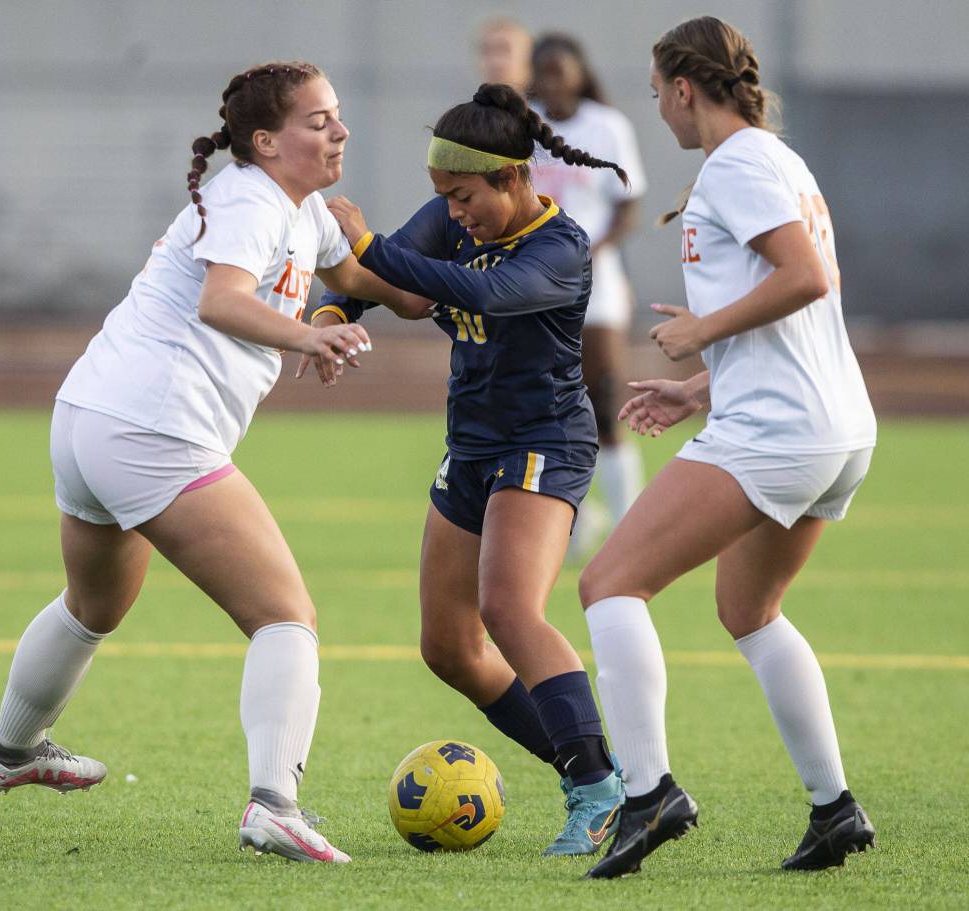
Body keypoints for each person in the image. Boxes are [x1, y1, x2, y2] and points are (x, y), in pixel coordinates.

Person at [0, 61, 430, 865]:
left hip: (90, 415)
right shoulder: (251, 197)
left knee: (92, 604)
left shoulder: (302, 206)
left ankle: (14, 751)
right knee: (287, 616)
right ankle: (274, 805)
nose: (340, 130)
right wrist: (310, 334)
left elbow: (358, 274)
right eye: (318, 119)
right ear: (266, 141)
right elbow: (222, 298)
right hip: (152, 426)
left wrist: (438, 292)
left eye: (338, 115)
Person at [577, 17, 878, 878]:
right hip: (833, 425)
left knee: (608, 582)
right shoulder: (778, 160)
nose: (660, 112)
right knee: (748, 610)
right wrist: (702, 387)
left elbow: (807, 278)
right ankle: (834, 809)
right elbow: (816, 293)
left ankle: (649, 794)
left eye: (656, 94)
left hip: (780, 429)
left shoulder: (741, 162)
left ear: (682, 88)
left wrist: (705, 331)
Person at [308, 84, 629, 856]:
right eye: (443, 199)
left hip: (545, 439)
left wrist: (370, 248)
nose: (454, 213)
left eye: (464, 197)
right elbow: (397, 281)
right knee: (448, 646)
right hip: (474, 444)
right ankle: (598, 769)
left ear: (515, 179)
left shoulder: (560, 247)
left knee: (510, 610)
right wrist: (332, 312)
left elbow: (472, 287)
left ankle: (598, 789)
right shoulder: (456, 216)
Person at [530, 34, 649, 556]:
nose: (554, 80)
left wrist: (588, 248)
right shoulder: (521, 123)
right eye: (544, 71)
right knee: (545, 401)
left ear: (580, 73)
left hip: (593, 281)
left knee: (602, 397)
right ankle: (573, 520)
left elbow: (628, 206)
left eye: (562, 70)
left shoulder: (607, 127)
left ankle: (629, 525)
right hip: (531, 280)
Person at [476, 16, 533, 96]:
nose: (495, 62)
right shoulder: (466, 107)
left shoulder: (550, 107)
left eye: (505, 50)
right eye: (487, 51)